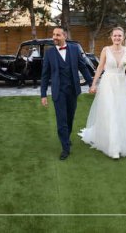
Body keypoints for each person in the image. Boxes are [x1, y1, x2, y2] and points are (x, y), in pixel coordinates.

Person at [79, 27, 126, 159]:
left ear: (123, 37)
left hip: (122, 84)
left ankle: (122, 141)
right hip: (108, 83)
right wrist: (93, 83)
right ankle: (113, 147)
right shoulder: (105, 50)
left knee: (122, 111)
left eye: (120, 36)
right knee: (111, 111)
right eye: (115, 36)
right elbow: (100, 67)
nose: (117, 38)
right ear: (111, 37)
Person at [41, 27, 93, 160]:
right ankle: (65, 147)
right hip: (58, 91)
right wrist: (43, 94)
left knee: (70, 117)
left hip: (73, 90)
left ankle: (66, 137)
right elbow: (45, 75)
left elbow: (82, 66)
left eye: (57, 35)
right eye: (53, 35)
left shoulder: (74, 49)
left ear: (64, 36)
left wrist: (91, 82)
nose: (54, 37)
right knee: (61, 120)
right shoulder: (49, 53)